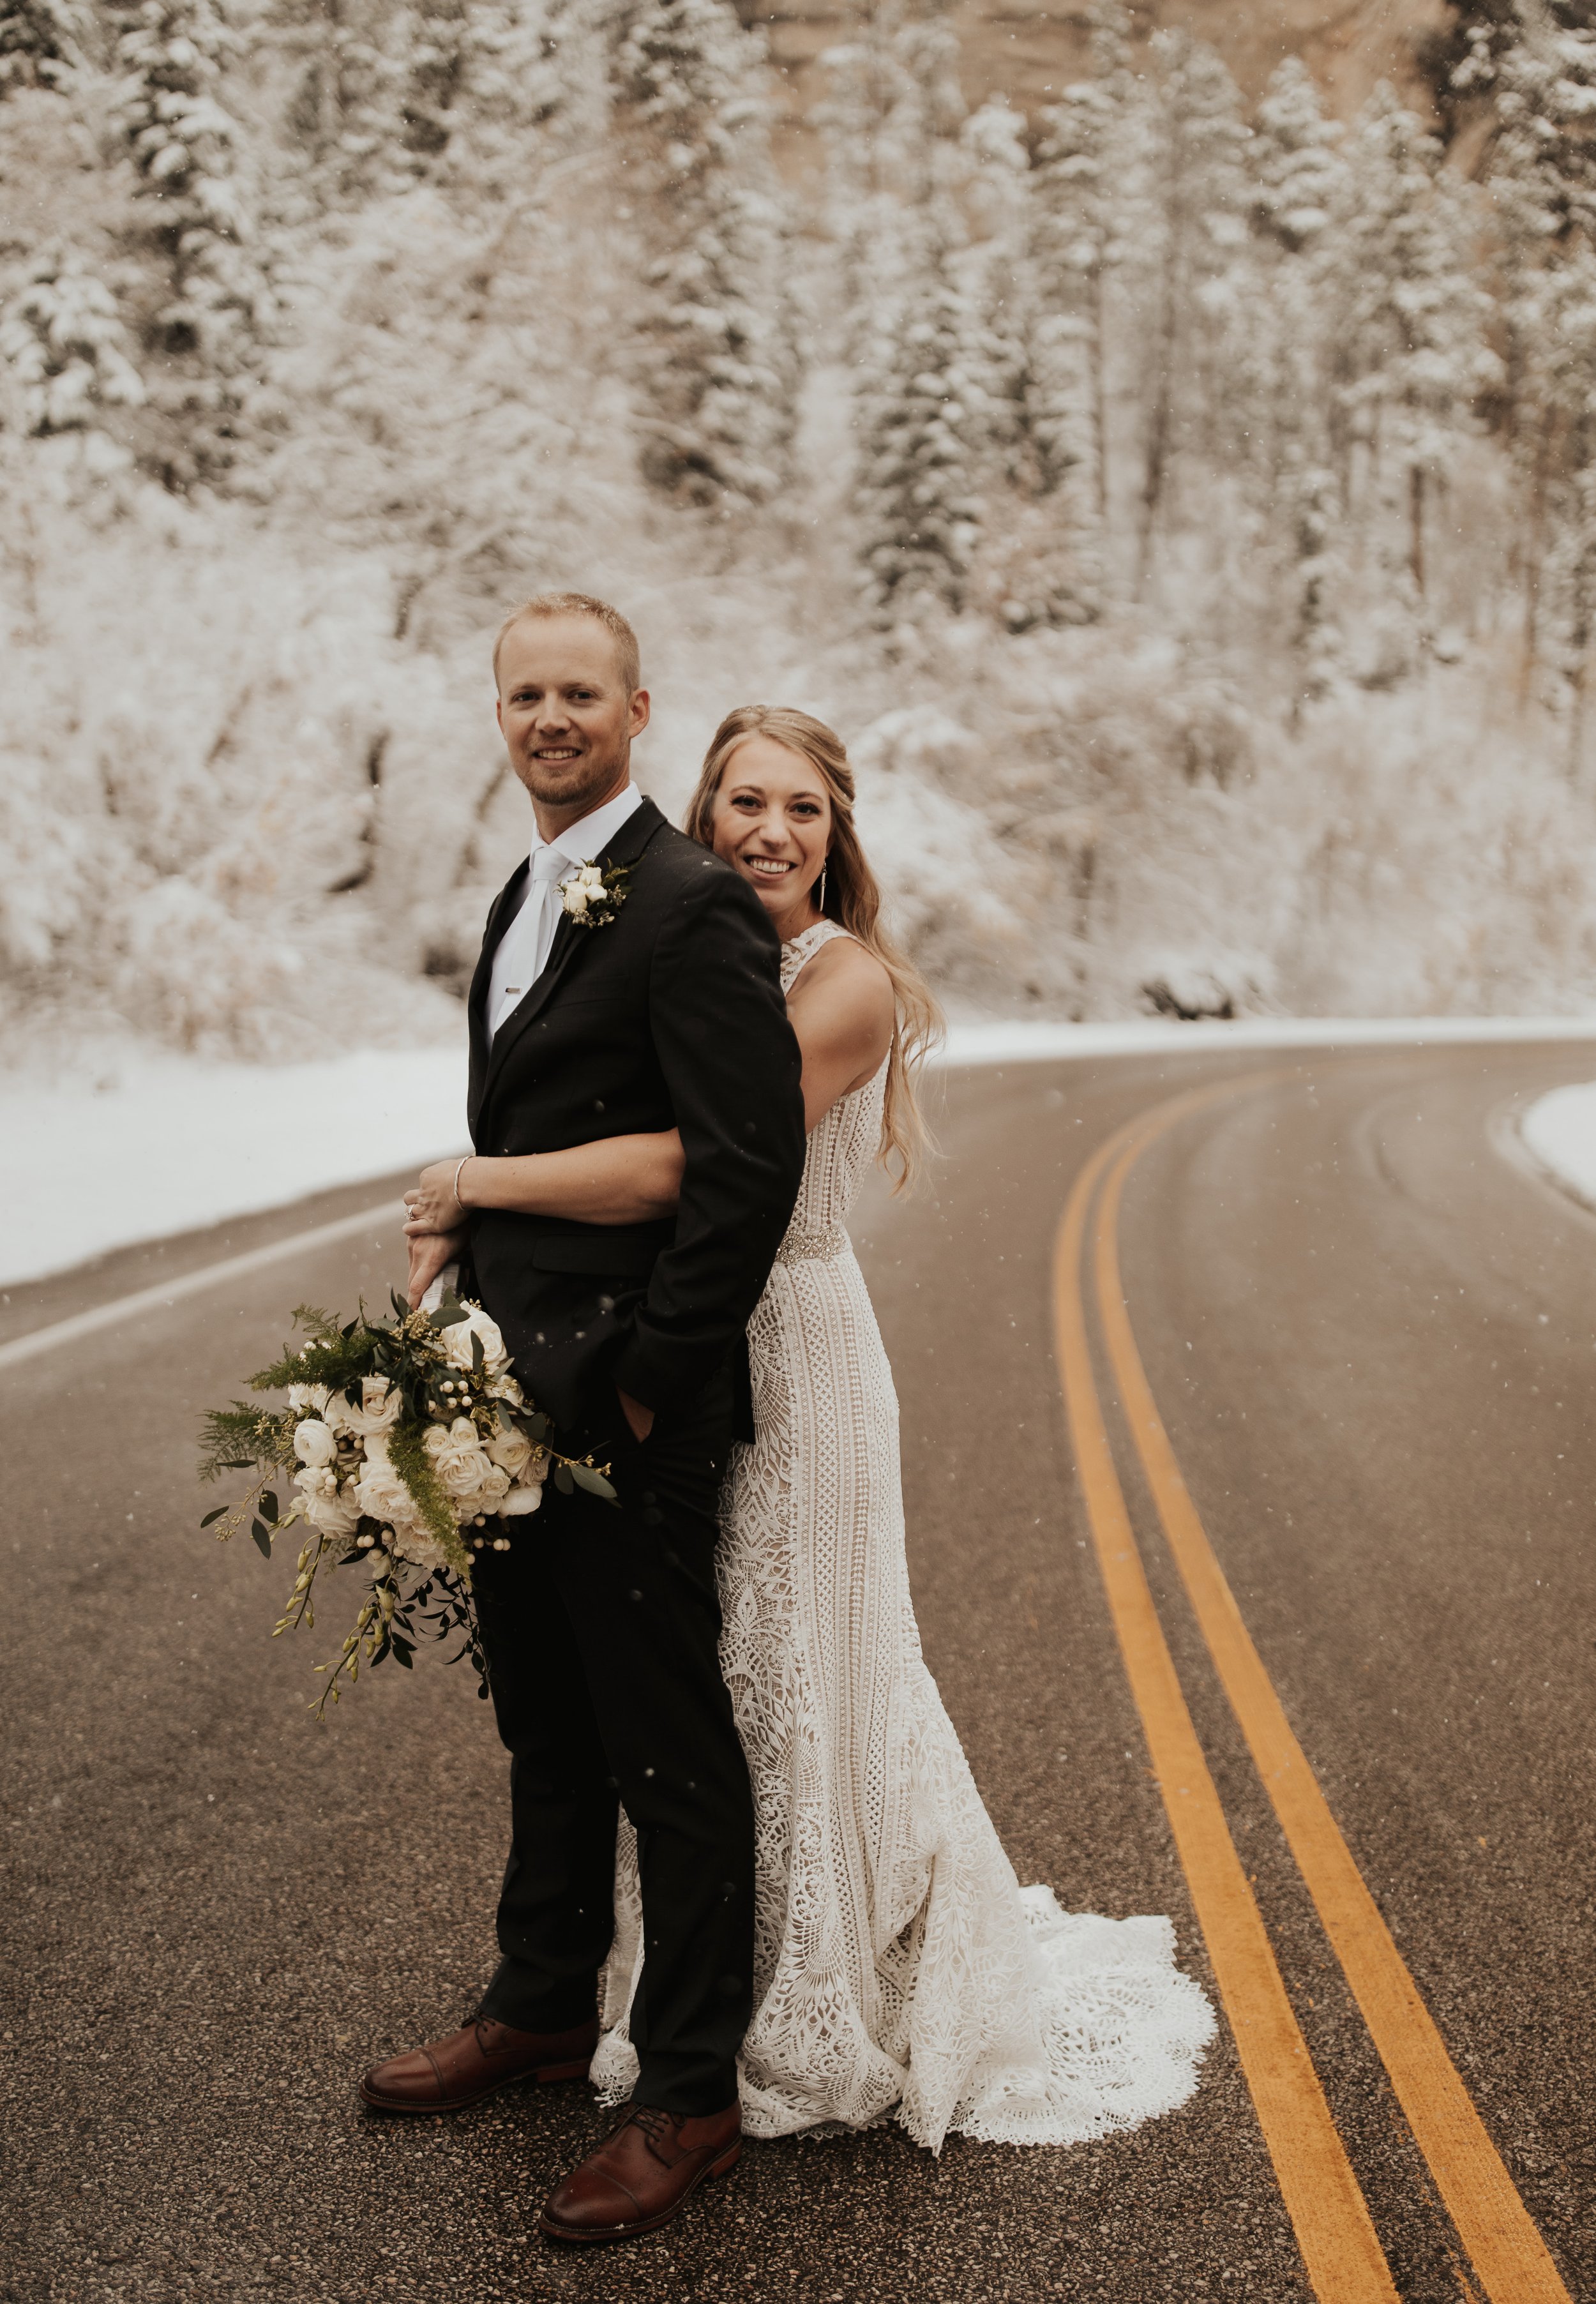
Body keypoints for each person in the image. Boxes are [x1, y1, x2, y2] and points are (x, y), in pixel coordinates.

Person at [402, 699, 1216, 2174]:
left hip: (792, 1341)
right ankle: (649, 1980)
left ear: (839, 836)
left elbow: (706, 1159)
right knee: (685, 1678)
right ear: (702, 815)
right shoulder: (689, 943)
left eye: (802, 810)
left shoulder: (844, 987)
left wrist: (481, 1181)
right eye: (744, 803)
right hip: (675, 1329)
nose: (769, 831)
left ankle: (808, 1986)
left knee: (782, 1677)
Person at [361, 596, 808, 2247]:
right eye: (523, 693)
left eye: (579, 693)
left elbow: (739, 1168)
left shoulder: (691, 905)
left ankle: (689, 2091)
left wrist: (645, 1378)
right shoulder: (525, 887)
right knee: (544, 1720)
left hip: (622, 1394)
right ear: (498, 713)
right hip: (501, 1385)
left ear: (638, 709)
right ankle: (543, 2000)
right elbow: (533, 1117)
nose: (550, 717)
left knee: (665, 1747)